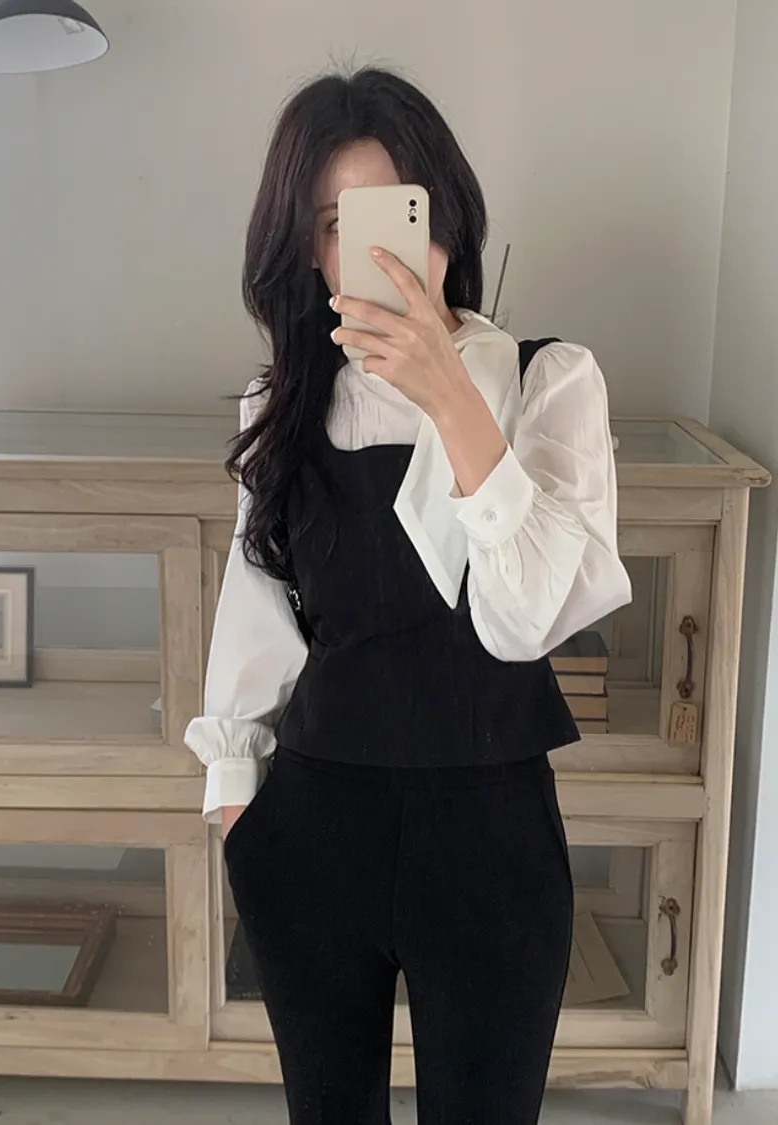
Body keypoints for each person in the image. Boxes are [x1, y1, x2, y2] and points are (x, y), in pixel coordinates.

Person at [185, 66, 632, 1125]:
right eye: (336, 223)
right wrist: (237, 809)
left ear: (447, 214)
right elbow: (255, 620)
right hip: (310, 830)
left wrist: (448, 394)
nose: (372, 249)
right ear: (308, 248)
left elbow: (524, 621)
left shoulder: (548, 382)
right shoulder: (281, 403)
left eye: (398, 212)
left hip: (491, 838)